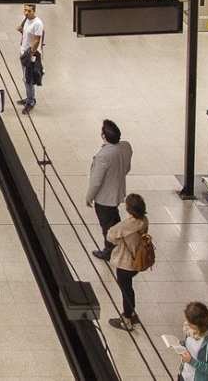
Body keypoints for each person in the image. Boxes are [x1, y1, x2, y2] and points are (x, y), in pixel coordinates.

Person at [86, 120, 134, 261]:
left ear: (103, 136)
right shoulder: (126, 146)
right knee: (114, 218)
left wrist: (89, 197)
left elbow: (96, 182)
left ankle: (109, 251)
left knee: (106, 225)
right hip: (118, 192)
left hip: (104, 198)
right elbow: (127, 168)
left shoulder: (103, 155)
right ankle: (119, 243)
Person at [107, 193, 149, 331]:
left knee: (126, 291)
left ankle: (127, 318)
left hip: (125, 263)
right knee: (129, 288)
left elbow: (110, 236)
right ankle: (131, 313)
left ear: (129, 209)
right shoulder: (144, 220)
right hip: (138, 260)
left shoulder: (127, 225)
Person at [176, 302, 208, 381]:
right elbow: (191, 346)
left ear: (198, 324)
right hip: (184, 375)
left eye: (189, 322)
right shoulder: (191, 330)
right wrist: (181, 345)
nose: (187, 323)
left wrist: (191, 361)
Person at [16, 3, 44, 114]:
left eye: (29, 11)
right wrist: (21, 31)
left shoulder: (38, 23)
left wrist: (31, 54)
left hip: (30, 55)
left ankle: (30, 101)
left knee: (28, 79)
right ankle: (29, 97)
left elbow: (37, 40)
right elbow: (27, 35)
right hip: (24, 52)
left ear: (34, 11)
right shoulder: (26, 20)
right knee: (25, 77)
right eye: (25, 10)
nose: (26, 13)